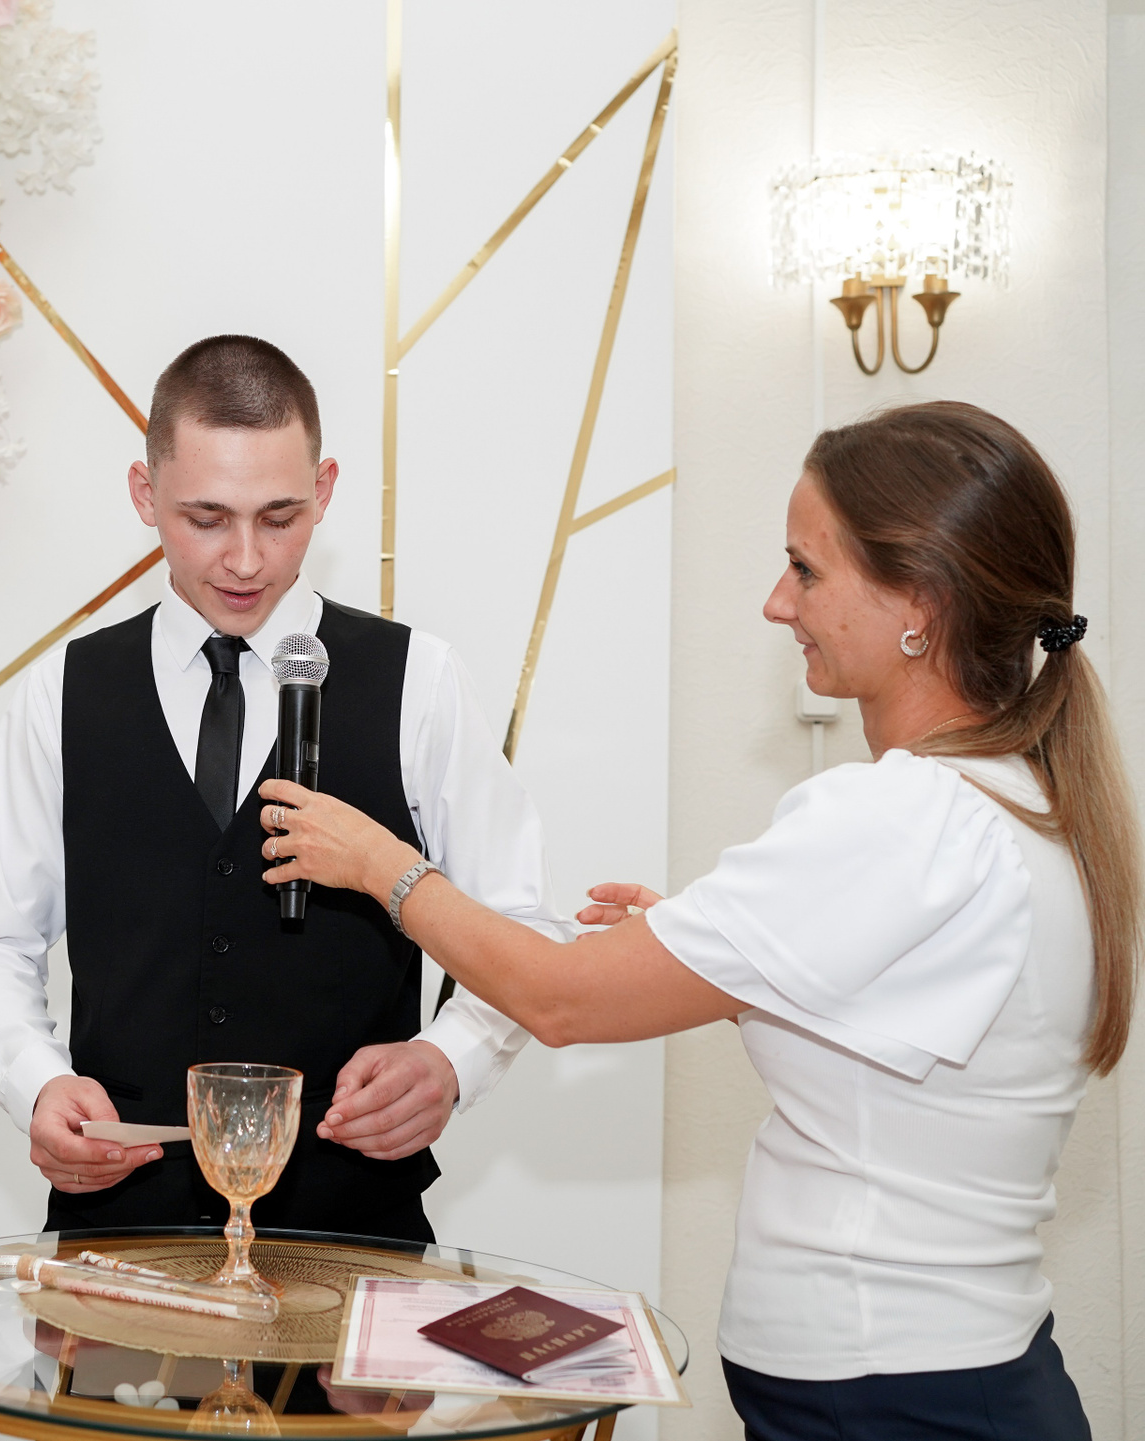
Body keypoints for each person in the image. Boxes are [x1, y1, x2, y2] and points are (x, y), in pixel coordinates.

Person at [257, 400, 1131, 1439]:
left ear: (920, 606)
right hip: (938, 1373)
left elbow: (561, 1000)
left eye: (806, 570)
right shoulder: (1014, 801)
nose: (777, 602)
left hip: (894, 1396)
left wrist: (385, 867)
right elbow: (899, 1025)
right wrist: (709, 947)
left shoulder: (903, 817)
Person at [0, 335, 569, 1243]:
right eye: (206, 517)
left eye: (279, 517)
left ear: (326, 489)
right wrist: (37, 1083)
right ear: (144, 494)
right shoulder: (62, 691)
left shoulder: (421, 681)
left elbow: (520, 921)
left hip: (355, 1232)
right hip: (120, 1231)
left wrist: (450, 1058)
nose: (245, 559)